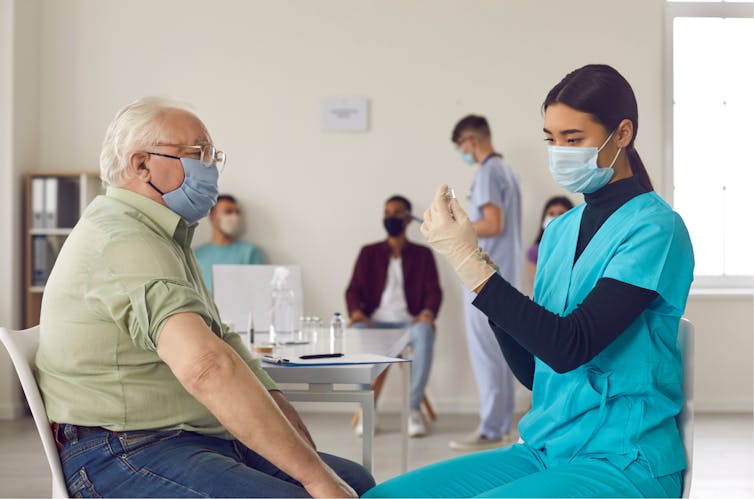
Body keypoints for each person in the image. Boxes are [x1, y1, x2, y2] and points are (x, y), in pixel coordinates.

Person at [364, 64, 694, 498]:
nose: (559, 152)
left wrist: (476, 272)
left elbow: (568, 346)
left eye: (573, 139)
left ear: (623, 133)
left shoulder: (655, 229)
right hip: (546, 447)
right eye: (551, 139)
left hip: (623, 457)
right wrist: (479, 268)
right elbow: (537, 374)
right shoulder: (559, 232)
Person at [36, 97, 374, 498]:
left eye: (213, 155)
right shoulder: (124, 238)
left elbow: (222, 340)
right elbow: (206, 368)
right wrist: (316, 479)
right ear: (141, 164)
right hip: (122, 450)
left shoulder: (165, 236)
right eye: (197, 153)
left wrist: (298, 440)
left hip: (187, 435)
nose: (210, 166)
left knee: (356, 483)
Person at [448, 114, 522, 451]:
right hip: (502, 273)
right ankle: (501, 424)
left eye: (461, 147)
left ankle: (492, 428)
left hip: (484, 275)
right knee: (500, 350)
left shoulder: (489, 171)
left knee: (486, 352)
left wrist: (456, 228)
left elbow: (492, 223)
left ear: (470, 142)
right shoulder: (506, 170)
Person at [345, 195, 442, 438]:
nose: (390, 217)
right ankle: (367, 409)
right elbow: (353, 289)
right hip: (374, 322)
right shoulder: (369, 253)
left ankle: (413, 408)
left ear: (408, 218)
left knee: (425, 332)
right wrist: (357, 313)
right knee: (357, 334)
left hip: (409, 323)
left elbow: (434, 290)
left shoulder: (422, 255)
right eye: (387, 212)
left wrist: (427, 313)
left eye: (397, 212)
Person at [194, 193, 265, 292]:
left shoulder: (250, 252)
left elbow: (257, 290)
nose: (234, 216)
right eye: (228, 212)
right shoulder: (195, 254)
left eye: (237, 212)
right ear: (212, 217)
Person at [526, 196, 574, 285]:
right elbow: (537, 284)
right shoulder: (535, 251)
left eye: (561, 213)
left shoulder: (578, 247)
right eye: (551, 214)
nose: (555, 218)